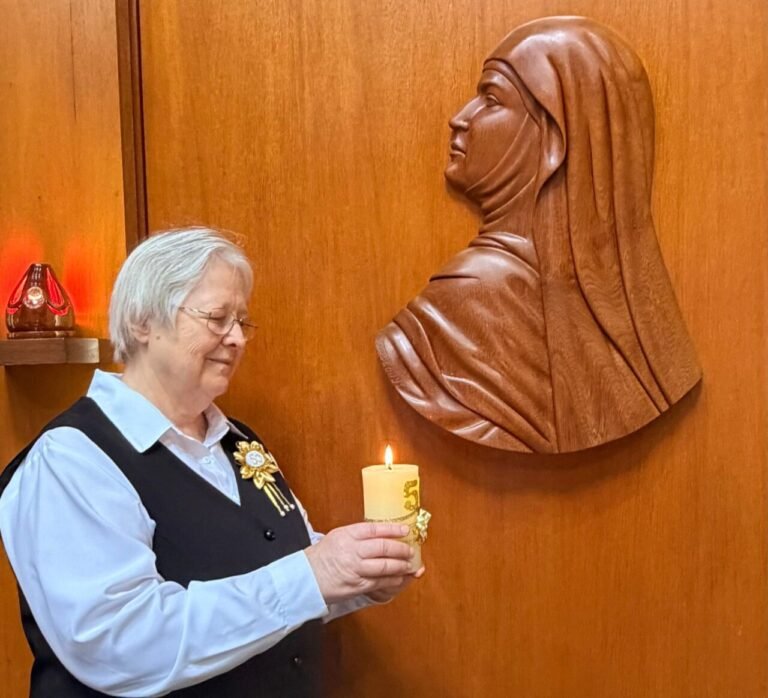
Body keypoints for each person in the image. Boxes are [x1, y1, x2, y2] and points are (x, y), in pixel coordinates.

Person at [0, 228, 422, 697]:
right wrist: (316, 573)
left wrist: (360, 576)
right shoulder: (72, 460)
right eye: (218, 318)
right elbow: (121, 643)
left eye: (243, 321)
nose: (238, 338)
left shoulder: (238, 443)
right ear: (143, 321)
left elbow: (285, 571)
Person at [376, 16, 701, 453]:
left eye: (491, 99)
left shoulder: (470, 296)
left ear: (552, 142)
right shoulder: (653, 347)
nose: (460, 119)